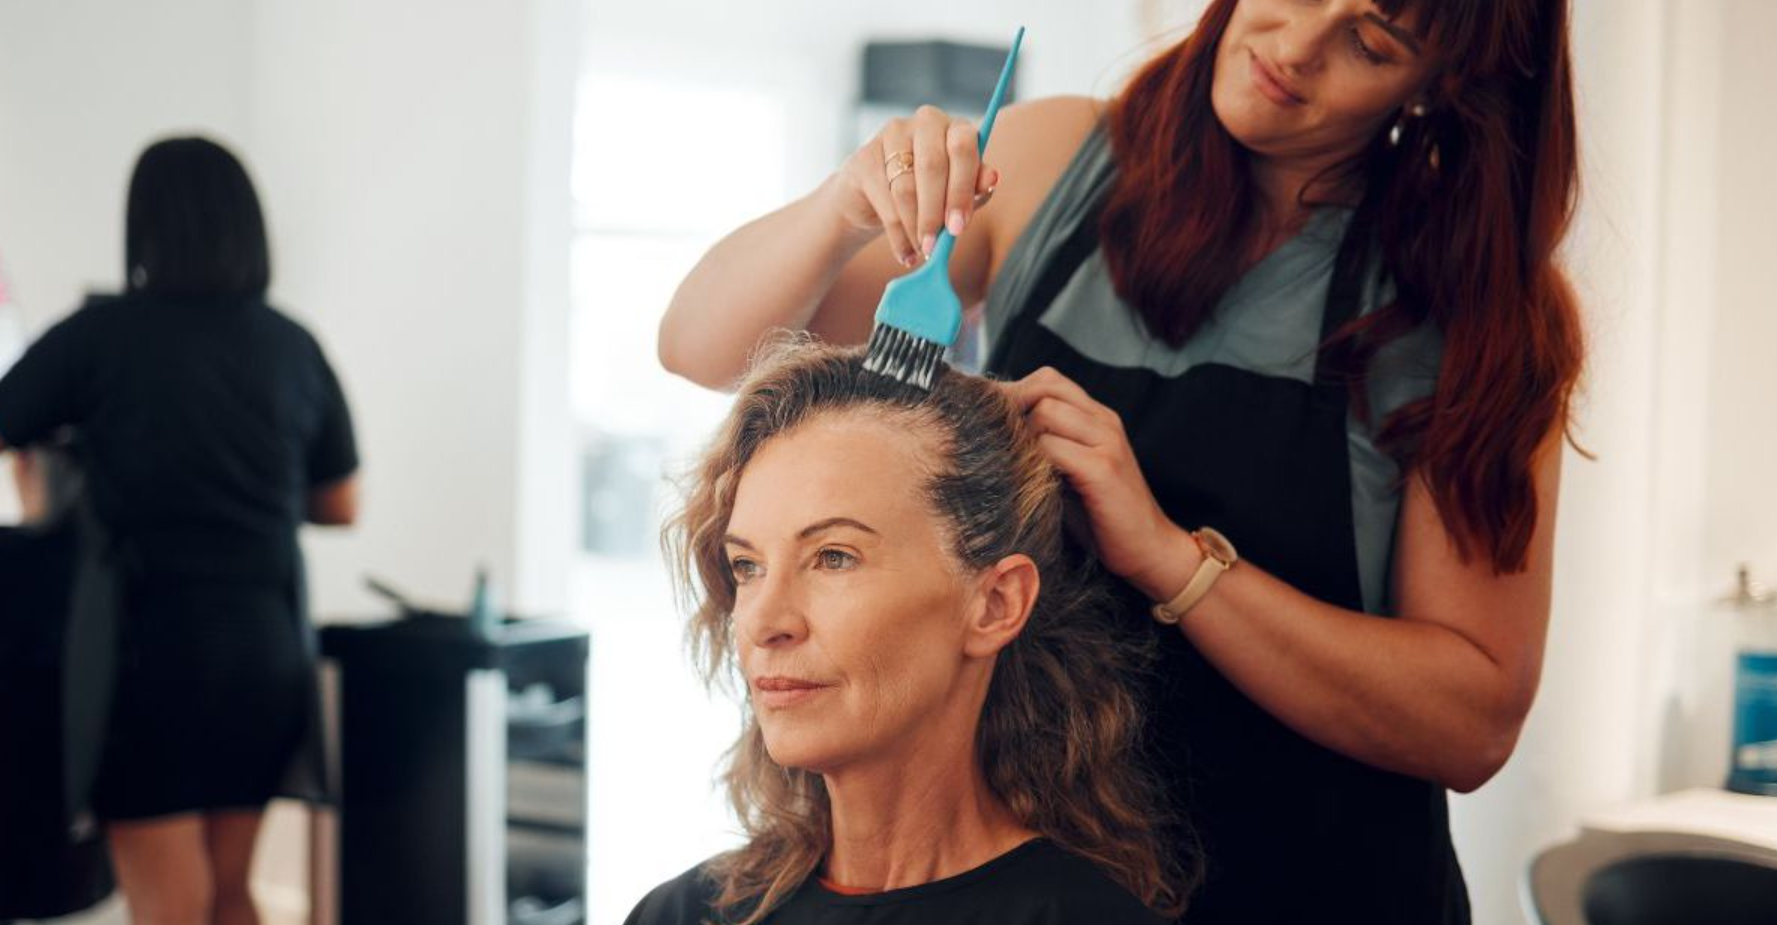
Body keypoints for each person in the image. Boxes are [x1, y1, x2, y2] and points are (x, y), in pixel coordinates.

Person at [657, 1, 1584, 921]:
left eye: (1369, 43)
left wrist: (1170, 558)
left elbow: (1471, 723)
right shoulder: (1052, 164)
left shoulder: (1474, 312)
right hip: (1035, 871)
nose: (1296, 48)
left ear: (1441, 85)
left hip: (1315, 885)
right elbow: (702, 346)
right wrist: (839, 209)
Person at [626, 338, 1185, 925]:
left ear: (996, 603)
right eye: (747, 566)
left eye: (834, 557)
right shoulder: (680, 914)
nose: (765, 623)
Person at [0, 136, 360, 925]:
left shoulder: (100, 336)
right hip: (263, 652)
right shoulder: (291, 344)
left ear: (145, 225)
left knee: (169, 906)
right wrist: (250, 492)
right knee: (231, 894)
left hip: (148, 657)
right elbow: (342, 503)